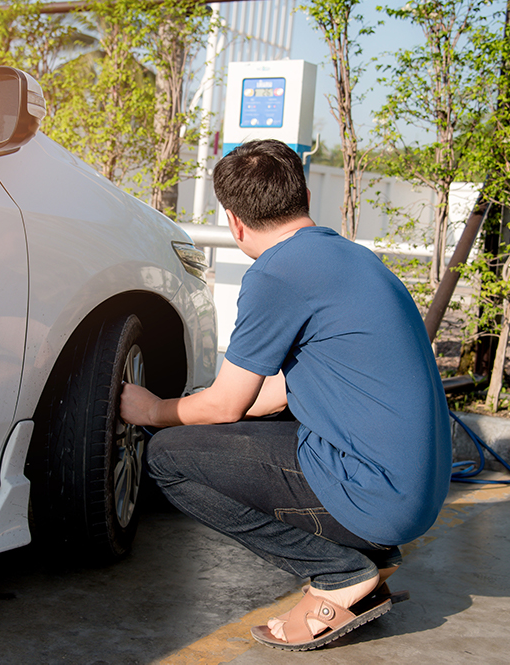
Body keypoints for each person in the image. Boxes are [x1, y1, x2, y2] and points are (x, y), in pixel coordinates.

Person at [119, 139, 452, 651]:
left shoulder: (276, 272)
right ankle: (374, 557)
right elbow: (275, 393)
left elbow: (226, 405)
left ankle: (337, 571)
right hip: (415, 494)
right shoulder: (350, 258)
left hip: (377, 495)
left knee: (168, 457)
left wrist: (153, 409)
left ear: (233, 221)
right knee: (231, 430)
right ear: (302, 199)